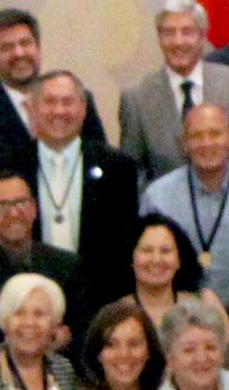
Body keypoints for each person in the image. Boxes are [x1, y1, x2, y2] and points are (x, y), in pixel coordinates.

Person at [23, 71, 145, 316]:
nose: (59, 111)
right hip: (29, 307)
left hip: (98, 308)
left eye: (67, 102)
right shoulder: (10, 167)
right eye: (49, 102)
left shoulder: (117, 168)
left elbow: (123, 248)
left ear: (83, 108)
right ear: (32, 110)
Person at [118, 0, 229, 182]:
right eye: (169, 33)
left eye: (187, 32)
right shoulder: (136, 97)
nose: (178, 42)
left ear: (202, 36)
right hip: (163, 208)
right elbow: (133, 171)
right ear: (159, 38)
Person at [0, 8, 110, 192]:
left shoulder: (76, 100)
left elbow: (100, 160)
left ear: (38, 49)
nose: (19, 53)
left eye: (25, 43)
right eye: (7, 48)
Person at [146, 102, 229, 301]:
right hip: (178, 313)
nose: (206, 143)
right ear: (184, 144)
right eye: (197, 136)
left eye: (215, 134)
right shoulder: (158, 197)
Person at [0, 168, 85, 347]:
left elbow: (82, 328)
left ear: (34, 209)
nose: (13, 213)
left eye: (20, 203)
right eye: (1, 206)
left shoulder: (67, 264)